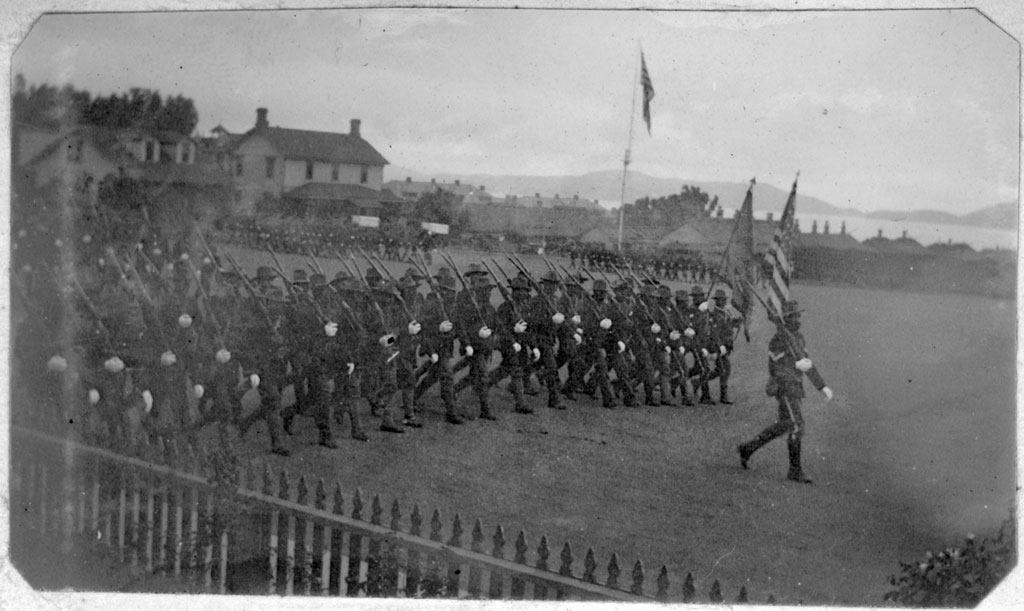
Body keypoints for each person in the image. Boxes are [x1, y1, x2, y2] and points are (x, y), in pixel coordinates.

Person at [737, 300, 834, 484]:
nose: (798, 319)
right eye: (794, 316)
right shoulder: (778, 340)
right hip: (785, 387)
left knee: (784, 425)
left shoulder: (798, 338)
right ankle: (795, 471)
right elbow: (776, 367)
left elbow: (807, 364)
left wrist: (822, 386)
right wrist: (796, 364)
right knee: (797, 426)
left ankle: (747, 449)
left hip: (796, 387)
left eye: (798, 316)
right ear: (787, 319)